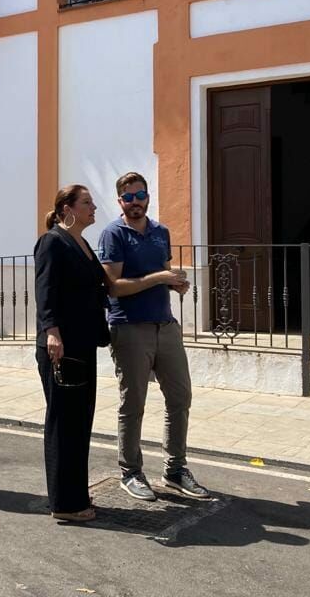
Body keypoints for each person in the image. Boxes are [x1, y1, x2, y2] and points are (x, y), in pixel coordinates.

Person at [97, 172, 209, 500]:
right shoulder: (113, 234)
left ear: (148, 196)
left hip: (165, 324)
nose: (135, 202)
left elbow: (164, 276)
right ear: (120, 201)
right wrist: (157, 277)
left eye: (140, 195)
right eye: (128, 197)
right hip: (129, 326)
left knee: (180, 397)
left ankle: (175, 470)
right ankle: (130, 472)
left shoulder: (161, 232)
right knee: (133, 402)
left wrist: (176, 283)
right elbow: (113, 286)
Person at [34, 184, 110, 522]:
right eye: (87, 203)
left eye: (92, 203)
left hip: (82, 343)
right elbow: (45, 290)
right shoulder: (53, 241)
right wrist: (52, 332)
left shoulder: (80, 242)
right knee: (64, 422)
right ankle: (65, 504)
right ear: (67, 208)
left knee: (80, 421)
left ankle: (76, 495)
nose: (94, 208)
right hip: (61, 345)